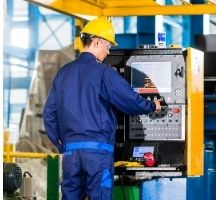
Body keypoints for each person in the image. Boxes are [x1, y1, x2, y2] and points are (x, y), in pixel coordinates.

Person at [43, 18, 161, 200]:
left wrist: (62, 144)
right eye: (107, 46)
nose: (108, 52)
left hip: (71, 154)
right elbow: (129, 100)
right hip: (97, 154)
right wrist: (152, 105)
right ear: (97, 41)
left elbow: (49, 113)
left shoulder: (63, 73)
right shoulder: (104, 73)